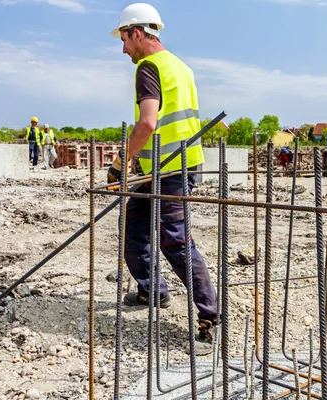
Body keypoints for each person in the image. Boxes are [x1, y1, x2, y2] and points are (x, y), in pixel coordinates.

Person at [109, 2, 217, 355]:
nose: (123, 48)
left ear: (137, 33)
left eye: (124, 39)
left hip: (168, 168)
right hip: (172, 164)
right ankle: (151, 289)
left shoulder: (148, 66)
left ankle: (209, 319)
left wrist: (119, 162)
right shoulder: (180, 66)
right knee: (136, 226)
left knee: (175, 242)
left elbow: (147, 123)